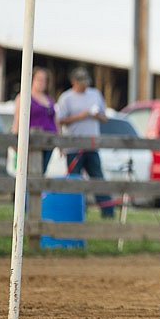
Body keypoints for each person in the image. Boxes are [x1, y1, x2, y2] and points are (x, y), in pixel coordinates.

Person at [56, 67, 114, 219]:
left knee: (98, 179)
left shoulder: (95, 94)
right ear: (74, 82)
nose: (85, 85)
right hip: (73, 147)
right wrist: (81, 116)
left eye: (86, 81)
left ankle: (108, 212)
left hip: (92, 145)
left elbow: (105, 118)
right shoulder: (66, 98)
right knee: (74, 180)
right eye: (81, 82)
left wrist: (96, 115)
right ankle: (74, 210)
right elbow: (60, 120)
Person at [12, 66, 59, 172]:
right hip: (31, 141)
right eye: (39, 79)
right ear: (32, 79)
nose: (42, 82)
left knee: (42, 171)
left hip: (49, 141)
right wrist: (15, 139)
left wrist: (60, 140)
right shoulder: (24, 96)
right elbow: (17, 119)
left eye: (44, 80)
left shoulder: (49, 99)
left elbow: (55, 121)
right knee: (29, 171)